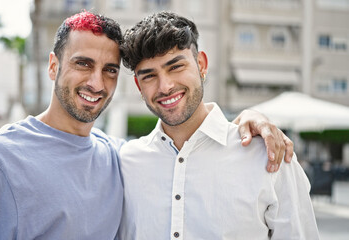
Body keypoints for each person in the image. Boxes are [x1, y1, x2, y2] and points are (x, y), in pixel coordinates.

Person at [0, 11, 292, 240]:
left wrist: (253, 118)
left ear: (201, 64)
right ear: (53, 66)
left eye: (110, 70)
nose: (97, 82)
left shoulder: (118, 157)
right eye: (83, 64)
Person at [117, 12, 319, 239]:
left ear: (201, 64)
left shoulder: (270, 156)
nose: (165, 86)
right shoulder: (123, 163)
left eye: (175, 67)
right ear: (138, 84)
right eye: (149, 76)